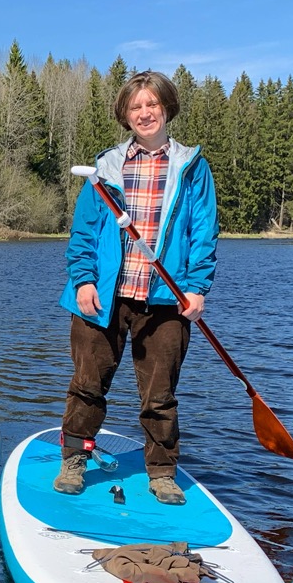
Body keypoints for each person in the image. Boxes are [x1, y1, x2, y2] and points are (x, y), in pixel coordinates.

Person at [55, 70, 219, 504]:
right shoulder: (104, 168)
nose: (145, 112)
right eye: (136, 106)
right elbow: (84, 231)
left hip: (167, 298)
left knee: (160, 395)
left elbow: (204, 232)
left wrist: (198, 287)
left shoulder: (192, 168)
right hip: (103, 296)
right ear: (125, 115)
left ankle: (162, 472)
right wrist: (84, 279)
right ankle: (74, 458)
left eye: (152, 104)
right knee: (87, 385)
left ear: (166, 108)